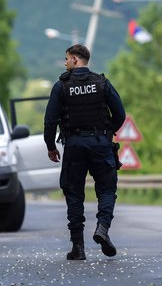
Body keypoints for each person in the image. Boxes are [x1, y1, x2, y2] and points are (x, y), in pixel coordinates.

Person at [44, 44, 126, 260]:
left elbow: (50, 120)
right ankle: (102, 229)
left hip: (74, 145)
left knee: (74, 192)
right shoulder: (102, 83)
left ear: (75, 59)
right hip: (100, 143)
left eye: (66, 59)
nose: (65, 63)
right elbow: (120, 113)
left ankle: (78, 247)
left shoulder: (61, 87)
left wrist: (50, 146)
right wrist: (108, 132)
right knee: (107, 189)